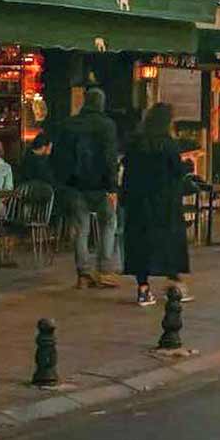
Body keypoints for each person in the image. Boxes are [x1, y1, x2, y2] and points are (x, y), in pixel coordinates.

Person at [121, 104, 191, 307]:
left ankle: (143, 289)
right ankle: (175, 283)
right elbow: (177, 171)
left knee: (140, 245)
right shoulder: (167, 145)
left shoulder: (135, 144)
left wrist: (125, 199)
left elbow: (127, 174)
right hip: (164, 204)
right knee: (169, 244)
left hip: (139, 204)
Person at [54, 87, 121, 290]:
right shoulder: (106, 125)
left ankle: (83, 273)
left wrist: (63, 182)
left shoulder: (69, 124)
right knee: (109, 223)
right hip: (100, 186)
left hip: (75, 185)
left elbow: (59, 156)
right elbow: (110, 157)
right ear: (101, 103)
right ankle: (104, 270)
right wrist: (113, 187)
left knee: (80, 229)